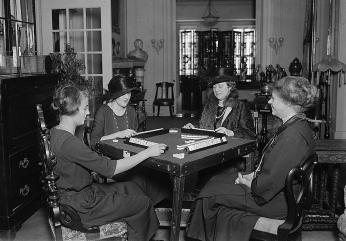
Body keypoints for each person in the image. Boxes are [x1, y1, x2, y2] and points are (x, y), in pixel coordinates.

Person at [186, 76, 319, 241]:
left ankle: (196, 237)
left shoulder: (292, 137)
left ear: (289, 103)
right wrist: (254, 175)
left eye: (273, 99)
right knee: (214, 181)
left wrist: (249, 182)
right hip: (278, 193)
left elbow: (267, 185)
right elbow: (275, 170)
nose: (269, 102)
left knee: (208, 195)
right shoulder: (296, 125)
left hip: (275, 201)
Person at [50, 83, 168, 241]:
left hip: (78, 195)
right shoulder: (70, 143)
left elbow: (82, 163)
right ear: (74, 109)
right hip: (82, 207)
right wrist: (147, 152)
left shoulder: (55, 132)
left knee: (132, 187)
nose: (88, 112)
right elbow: (111, 169)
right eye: (85, 108)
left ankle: (138, 232)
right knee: (143, 203)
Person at [184, 75, 256, 139]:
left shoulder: (240, 106)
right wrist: (194, 127)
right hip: (210, 144)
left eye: (220, 86)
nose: (216, 90)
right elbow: (204, 126)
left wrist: (230, 132)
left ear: (230, 87)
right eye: (214, 87)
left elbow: (250, 133)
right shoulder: (209, 106)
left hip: (229, 146)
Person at [90, 74, 138, 149]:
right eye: (123, 93)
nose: (127, 97)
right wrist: (118, 134)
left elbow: (135, 138)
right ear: (114, 94)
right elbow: (93, 142)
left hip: (128, 154)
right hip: (108, 157)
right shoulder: (103, 111)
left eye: (129, 93)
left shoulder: (131, 111)